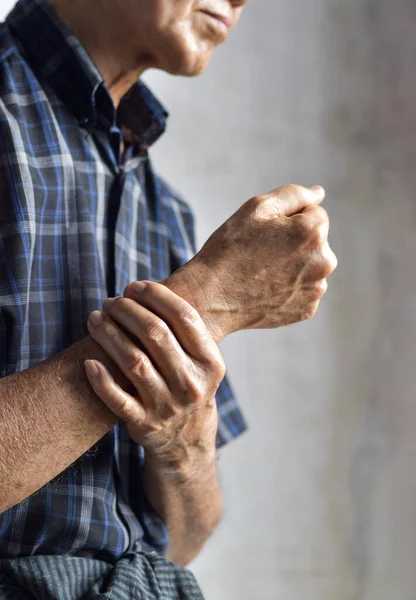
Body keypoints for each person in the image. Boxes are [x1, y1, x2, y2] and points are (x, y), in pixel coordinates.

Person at [0, 0, 337, 597]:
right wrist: (207, 299)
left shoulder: (168, 212)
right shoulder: (211, 265)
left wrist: (183, 442)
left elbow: (184, 541)